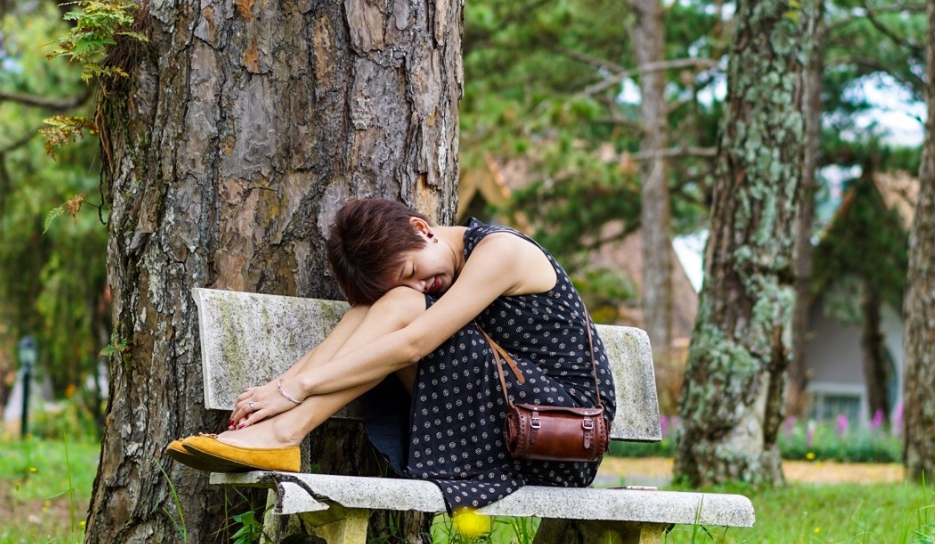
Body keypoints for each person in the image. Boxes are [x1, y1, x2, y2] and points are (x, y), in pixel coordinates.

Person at [167, 197, 612, 512]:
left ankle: (284, 435)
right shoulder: (441, 267)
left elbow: (415, 344)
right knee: (380, 305)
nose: (422, 285)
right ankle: (276, 433)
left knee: (401, 307)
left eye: (413, 271)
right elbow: (368, 326)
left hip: (560, 434)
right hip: (513, 416)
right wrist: (279, 387)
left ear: (422, 228)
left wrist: (295, 388)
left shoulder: (502, 252)